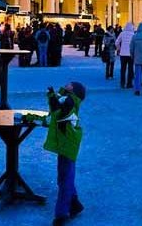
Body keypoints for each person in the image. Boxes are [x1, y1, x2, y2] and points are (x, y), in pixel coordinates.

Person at [45, 82, 86, 226]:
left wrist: (56, 95)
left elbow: (59, 112)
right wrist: (51, 94)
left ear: (73, 90)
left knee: (65, 179)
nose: (67, 84)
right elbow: (56, 108)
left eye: (70, 84)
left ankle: (61, 214)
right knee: (64, 176)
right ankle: (74, 204)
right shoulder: (67, 99)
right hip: (66, 144)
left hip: (68, 144)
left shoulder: (70, 101)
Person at [116, 22, 136, 89]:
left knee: (123, 69)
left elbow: (116, 42)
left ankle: (122, 83)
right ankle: (129, 83)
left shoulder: (122, 33)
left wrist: (119, 49)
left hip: (123, 54)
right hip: (130, 54)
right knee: (130, 69)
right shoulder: (133, 34)